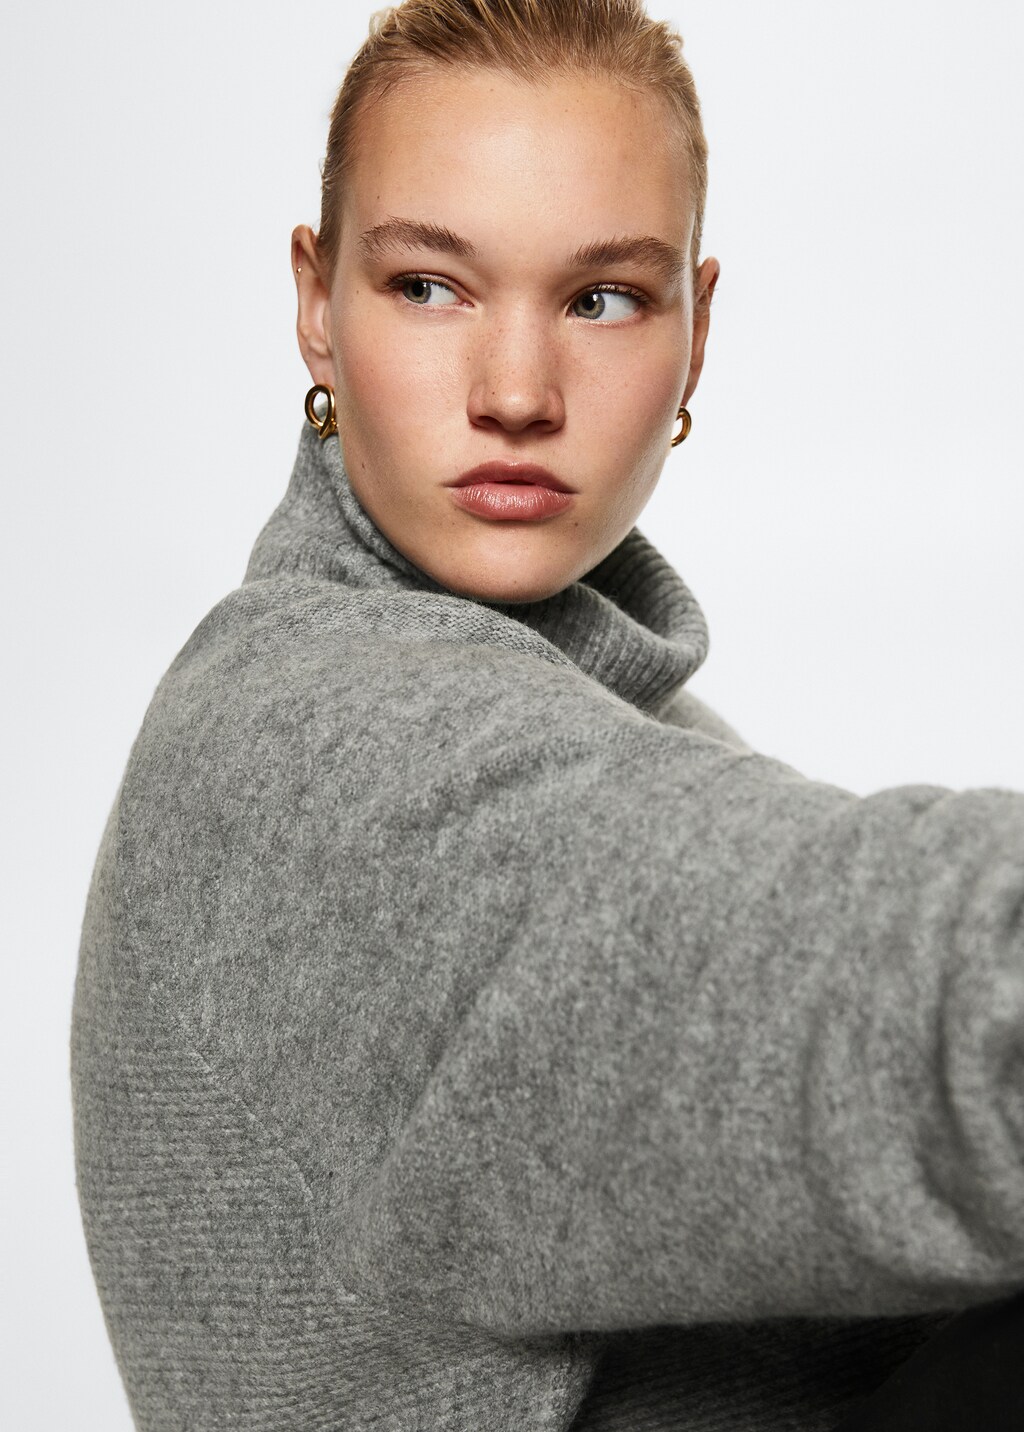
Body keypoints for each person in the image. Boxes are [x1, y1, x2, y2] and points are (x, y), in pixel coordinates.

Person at [70, 2, 1024, 1429]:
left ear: (696, 333)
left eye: (603, 300)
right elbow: (915, 999)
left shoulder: (611, 713)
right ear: (316, 305)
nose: (516, 392)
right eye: (429, 286)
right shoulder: (318, 752)